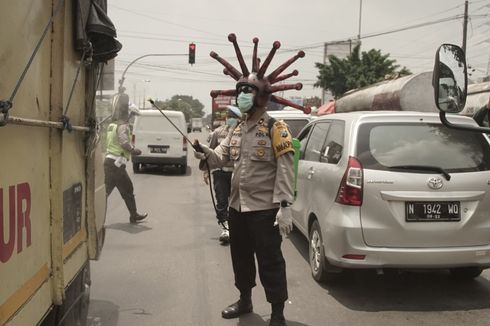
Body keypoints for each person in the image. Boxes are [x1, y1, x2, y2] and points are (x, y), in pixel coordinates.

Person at [194, 34, 308, 326]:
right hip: (237, 206)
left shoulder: (275, 127)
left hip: (265, 209)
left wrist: (285, 206)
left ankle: (278, 314)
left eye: (247, 91)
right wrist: (206, 153)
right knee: (240, 258)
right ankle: (245, 299)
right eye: (239, 90)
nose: (241, 96)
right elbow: (222, 156)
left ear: (259, 96)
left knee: (270, 262)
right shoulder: (237, 127)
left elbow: (285, 167)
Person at [105, 93, 148, 224]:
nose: (133, 118)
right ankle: (134, 215)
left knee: (106, 192)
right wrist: (134, 150)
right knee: (127, 189)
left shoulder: (112, 125)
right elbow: (123, 142)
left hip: (110, 162)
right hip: (116, 164)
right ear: (128, 113)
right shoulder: (123, 125)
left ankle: (133, 215)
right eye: (132, 115)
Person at [203, 105, 242, 244]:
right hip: (220, 173)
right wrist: (206, 172)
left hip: (236, 173)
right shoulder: (217, 133)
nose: (231, 119)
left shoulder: (242, 134)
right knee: (221, 202)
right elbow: (211, 153)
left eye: (234, 117)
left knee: (235, 202)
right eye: (229, 116)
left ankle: (235, 227)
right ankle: (225, 228)